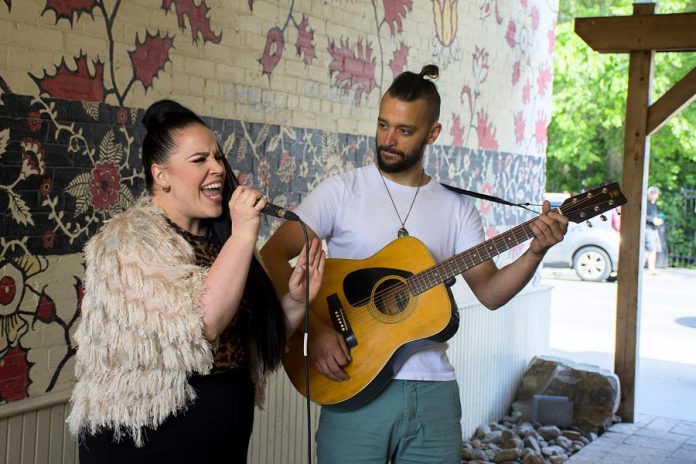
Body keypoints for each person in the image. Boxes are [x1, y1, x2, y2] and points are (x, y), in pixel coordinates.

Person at [260, 65, 568, 463]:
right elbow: (270, 255)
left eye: (404, 131)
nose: (388, 140)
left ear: (432, 134)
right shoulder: (341, 192)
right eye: (383, 125)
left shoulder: (456, 209)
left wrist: (534, 252)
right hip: (352, 382)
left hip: (433, 394)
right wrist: (315, 330)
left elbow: (490, 293)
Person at [68, 99, 325, 463]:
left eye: (218, 157)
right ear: (162, 175)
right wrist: (242, 234)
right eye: (199, 160)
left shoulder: (225, 242)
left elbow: (244, 346)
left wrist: (296, 302)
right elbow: (202, 325)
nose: (217, 168)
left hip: (222, 435)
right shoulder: (130, 239)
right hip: (148, 442)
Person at [645, 186, 663, 275]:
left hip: (653, 229)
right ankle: (650, 268)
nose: (656, 196)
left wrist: (657, 220)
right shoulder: (646, 204)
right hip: (648, 229)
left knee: (653, 249)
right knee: (650, 249)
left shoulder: (654, 204)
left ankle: (652, 268)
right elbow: (643, 215)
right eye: (655, 194)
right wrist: (653, 220)